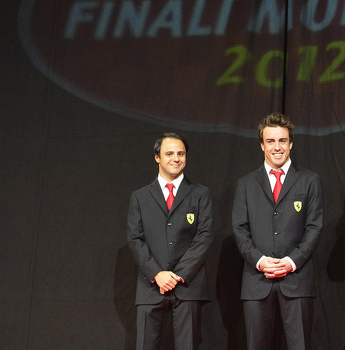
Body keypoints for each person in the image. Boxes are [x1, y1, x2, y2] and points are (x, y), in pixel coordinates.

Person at [232, 112, 323, 350]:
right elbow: (239, 229)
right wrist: (260, 261)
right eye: (270, 141)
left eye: (282, 140)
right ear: (262, 145)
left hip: (297, 279)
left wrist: (292, 261)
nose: (277, 147)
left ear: (291, 143)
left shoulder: (309, 180)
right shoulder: (246, 184)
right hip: (256, 281)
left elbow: (314, 227)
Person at [127, 132, 213, 350]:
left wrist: (178, 275)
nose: (176, 158)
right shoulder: (140, 197)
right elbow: (135, 238)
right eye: (170, 153)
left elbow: (204, 236)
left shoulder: (200, 193)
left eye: (181, 154)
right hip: (151, 287)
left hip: (188, 286)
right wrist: (157, 274)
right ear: (157, 157)